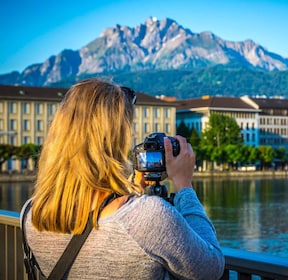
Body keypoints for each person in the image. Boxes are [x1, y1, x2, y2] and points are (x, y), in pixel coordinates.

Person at [20, 78, 225, 279]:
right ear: (115, 141)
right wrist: (184, 185)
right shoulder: (148, 216)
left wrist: (132, 189)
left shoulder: (31, 213)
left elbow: (98, 218)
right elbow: (211, 267)